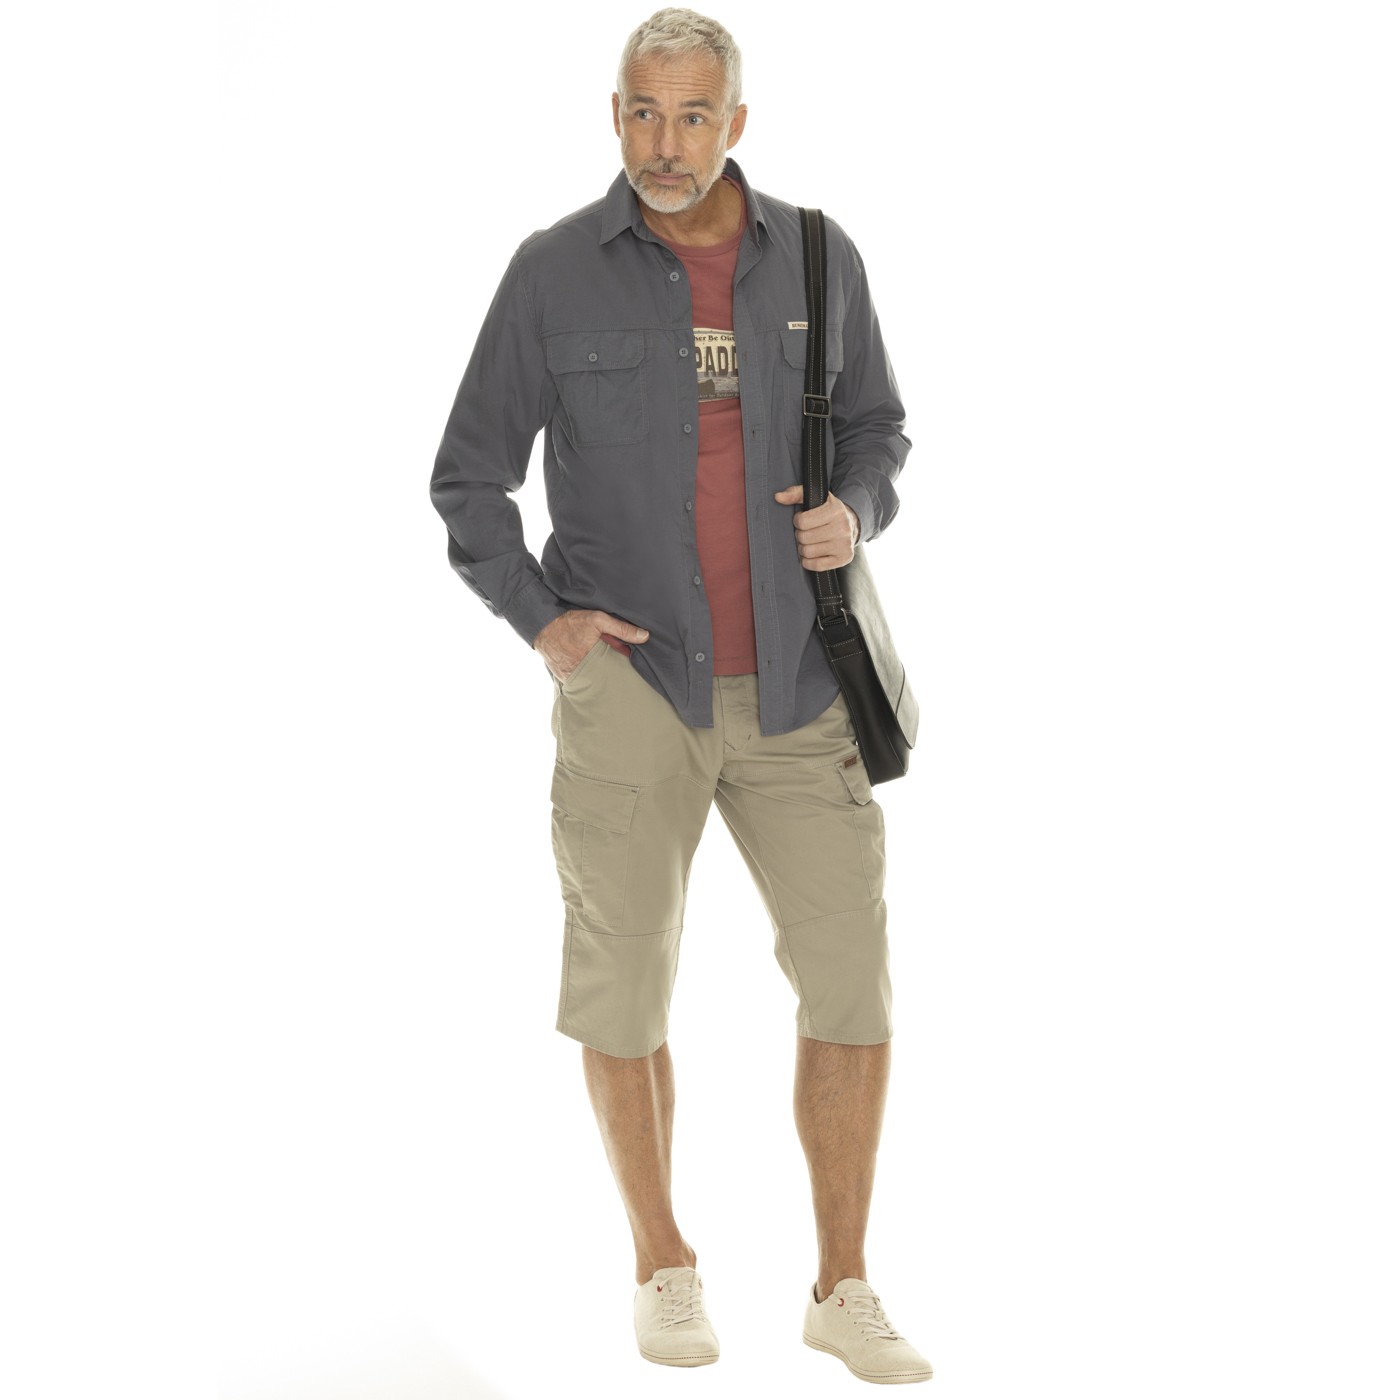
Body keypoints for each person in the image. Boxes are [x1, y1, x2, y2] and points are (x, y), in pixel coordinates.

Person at [429, 8, 929, 1385]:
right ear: (615, 116)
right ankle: (662, 1260)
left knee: (851, 983)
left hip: (802, 685)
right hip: (634, 686)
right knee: (624, 986)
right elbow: (468, 477)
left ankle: (841, 1286)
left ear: (736, 124)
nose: (666, 143)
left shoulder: (819, 255)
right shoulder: (551, 272)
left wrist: (856, 505)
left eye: (694, 115)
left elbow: (880, 428)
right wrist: (545, 621)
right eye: (644, 114)